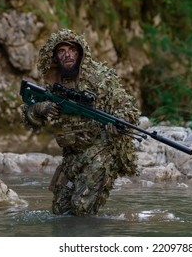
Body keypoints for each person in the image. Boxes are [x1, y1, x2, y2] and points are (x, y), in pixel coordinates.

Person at [21, 29, 140, 215]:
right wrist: (38, 109)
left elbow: (125, 106)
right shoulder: (54, 84)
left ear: (80, 52)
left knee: (81, 208)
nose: (67, 55)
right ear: (54, 57)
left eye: (72, 50)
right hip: (71, 155)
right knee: (60, 212)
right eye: (61, 51)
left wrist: (120, 123)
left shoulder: (100, 78)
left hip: (100, 149)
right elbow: (30, 119)